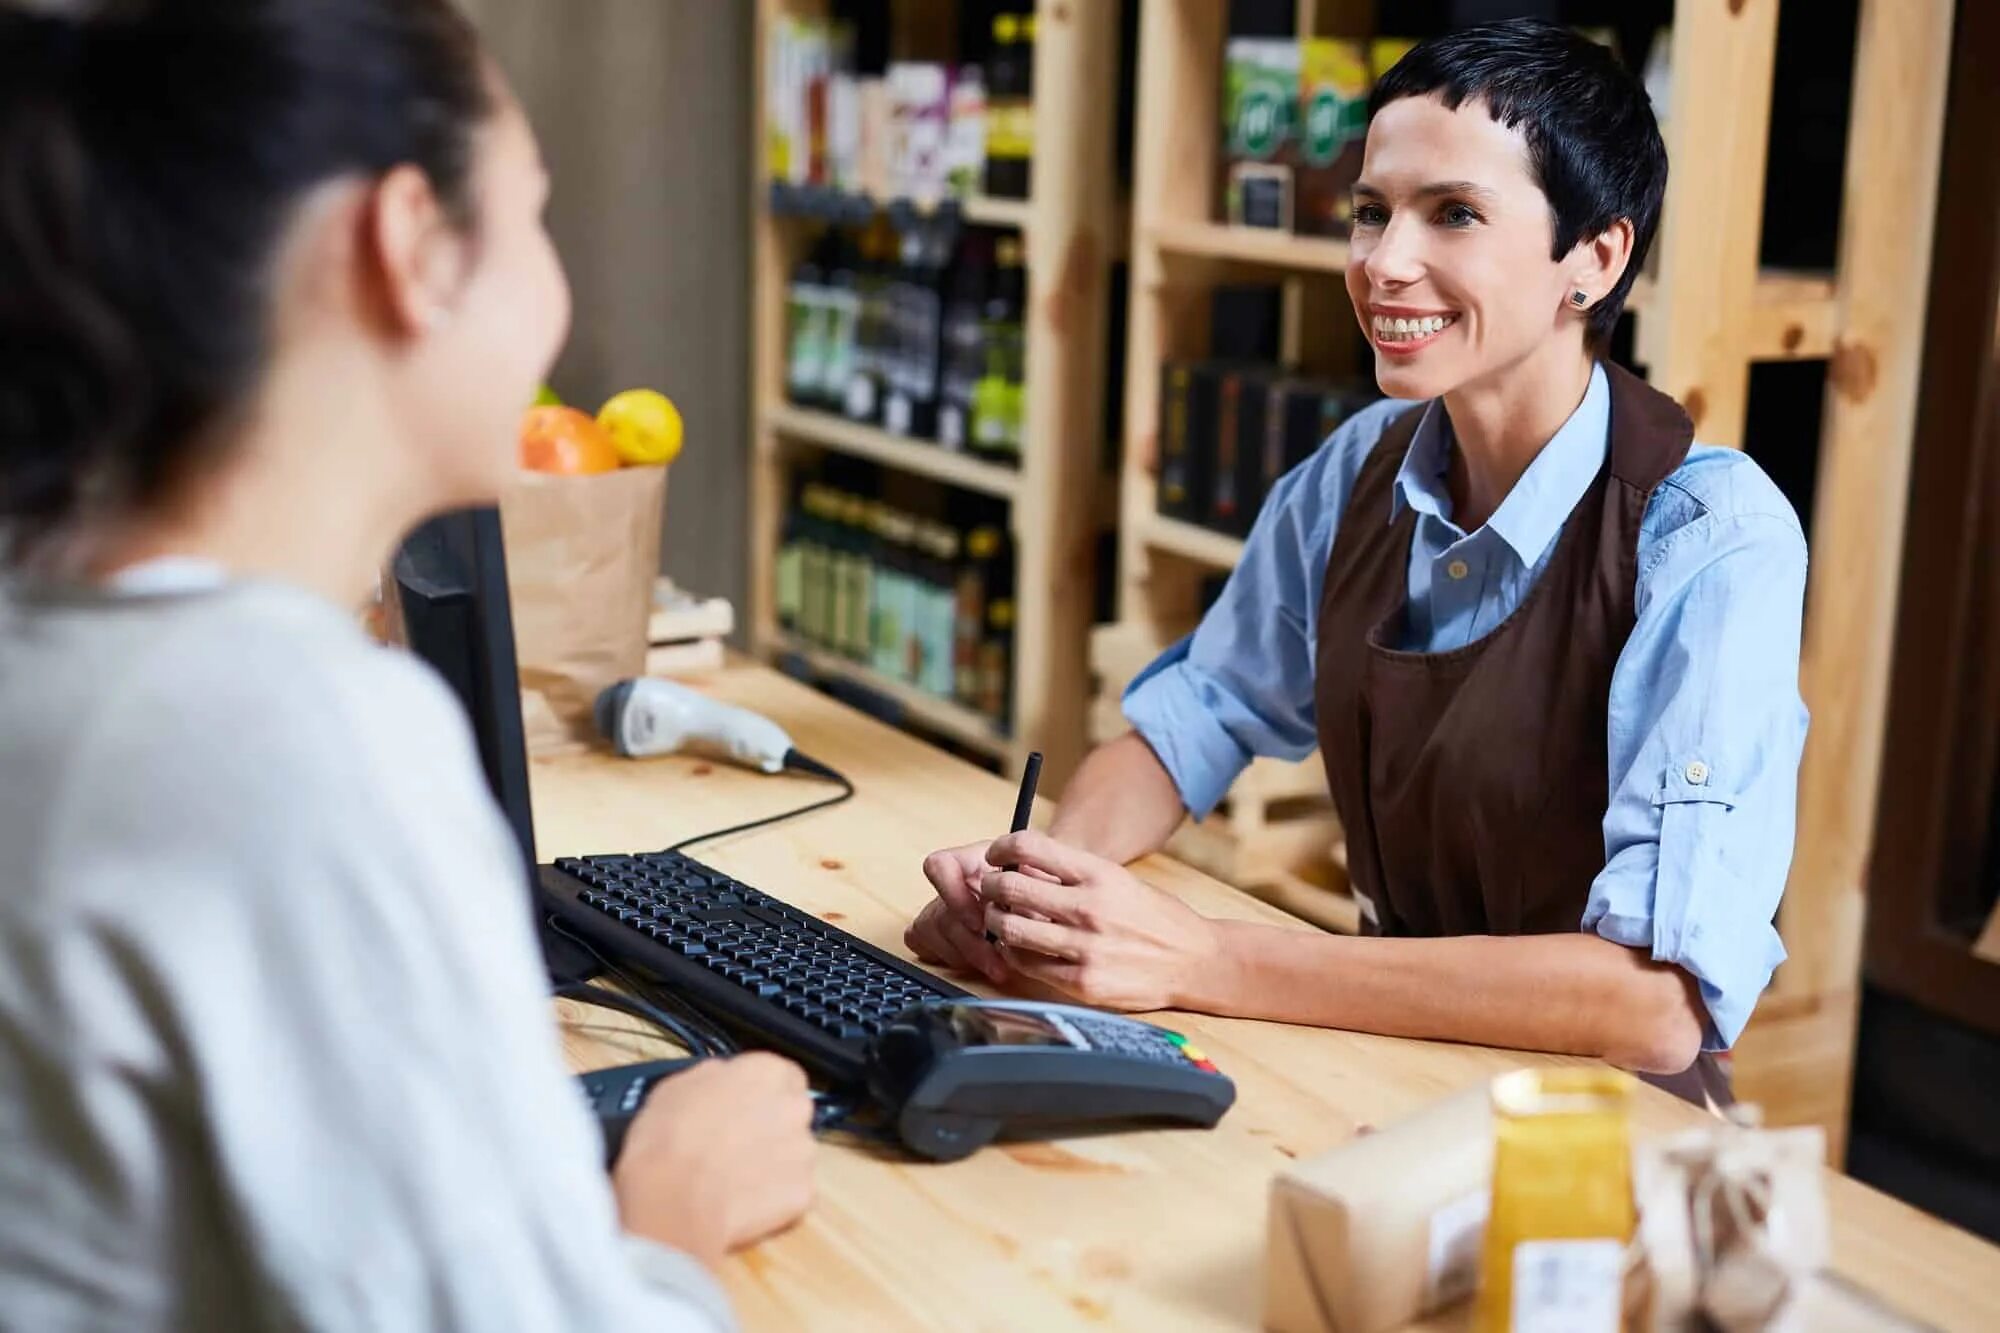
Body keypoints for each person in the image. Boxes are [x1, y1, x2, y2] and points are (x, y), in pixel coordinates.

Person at [0, 2, 812, 1326]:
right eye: (535, 215)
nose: (556, 288)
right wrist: (667, 1217)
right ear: (408, 246)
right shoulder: (294, 734)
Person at [908, 20, 1808, 1102]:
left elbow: (1657, 1002)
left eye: (1455, 215)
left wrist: (1202, 959)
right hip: (1382, 1073)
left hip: (1598, 1136)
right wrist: (1045, 892)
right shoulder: (1355, 472)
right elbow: (1200, 713)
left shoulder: (1706, 535)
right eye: (1372, 210)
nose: (1383, 263)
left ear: (1594, 258)